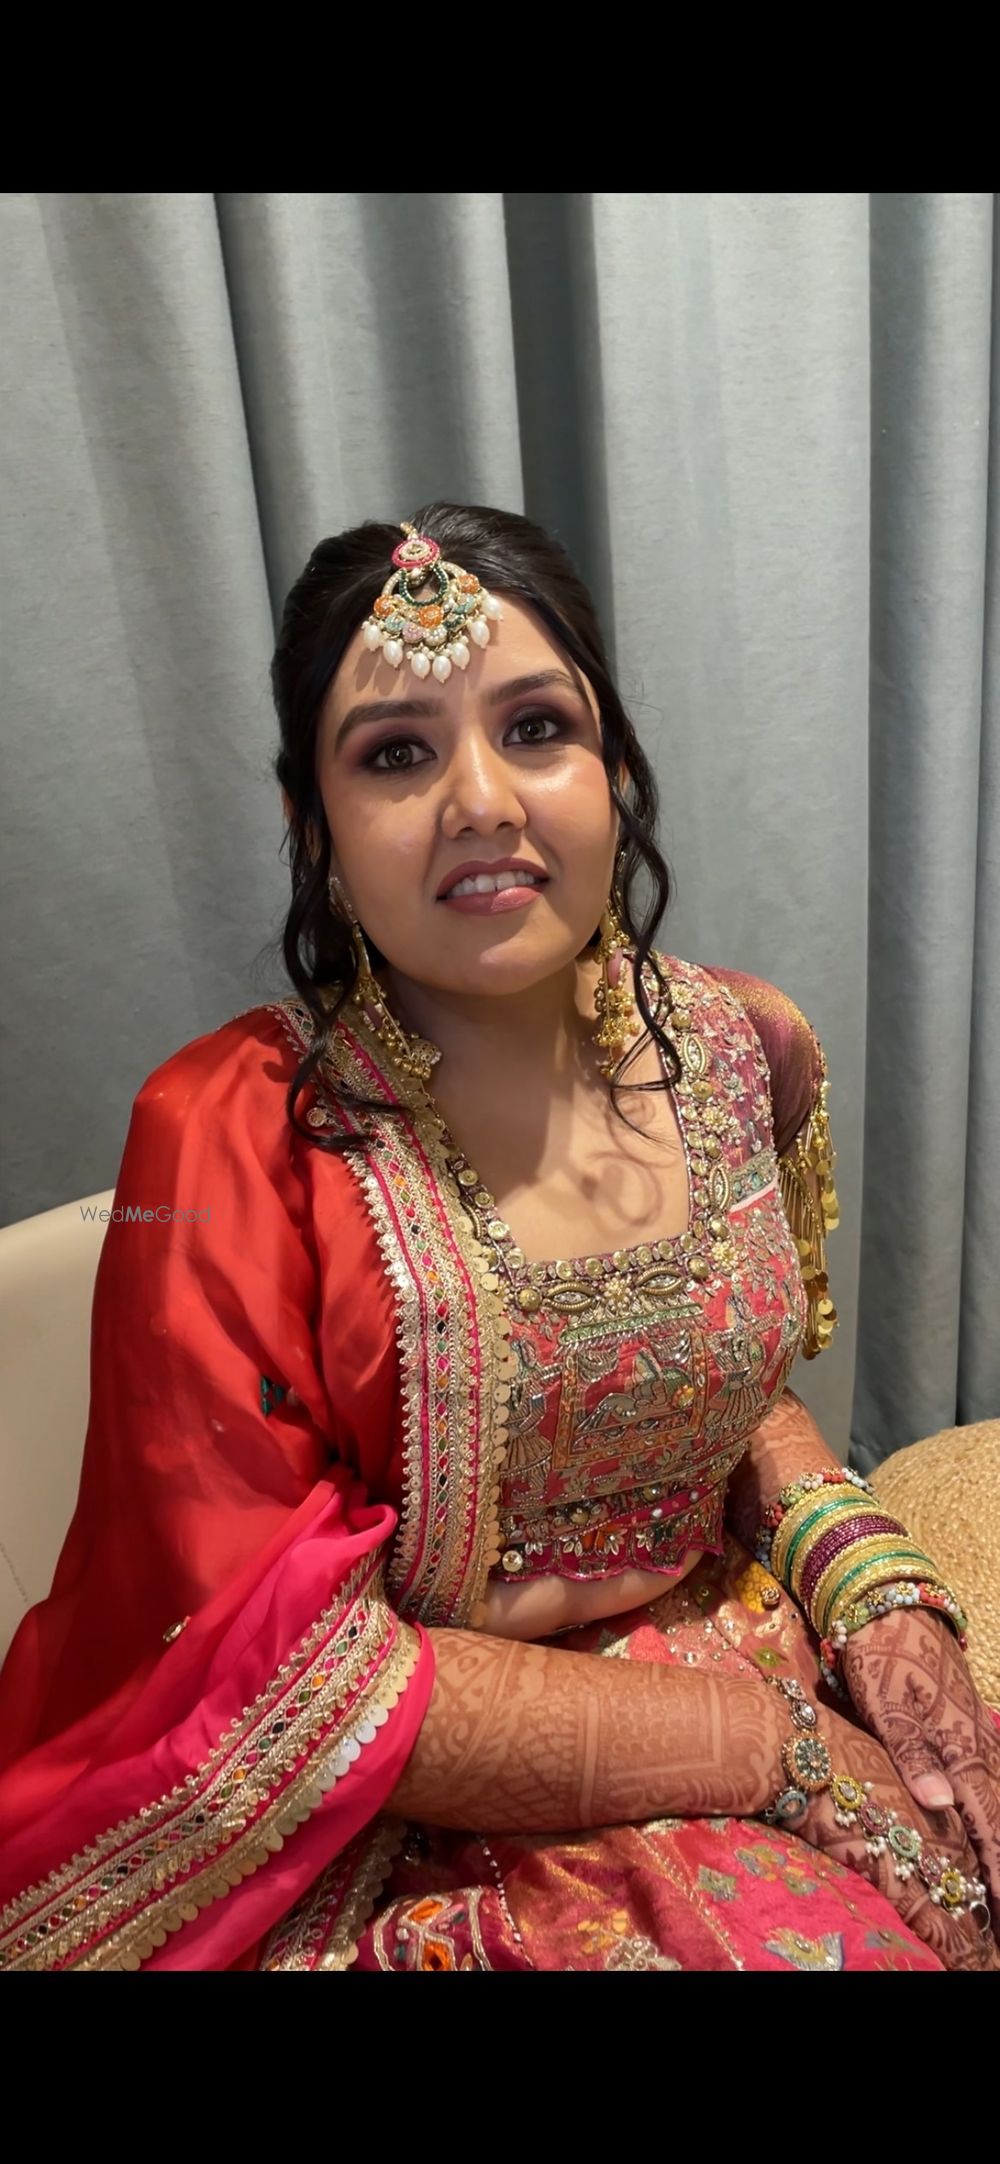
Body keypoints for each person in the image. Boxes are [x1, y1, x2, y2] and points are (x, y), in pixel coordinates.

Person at [1, 504, 997, 1975]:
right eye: (395, 754)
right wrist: (768, 1749)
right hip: (413, 1795)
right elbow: (292, 1671)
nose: (481, 799)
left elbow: (737, 1391)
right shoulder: (229, 1140)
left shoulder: (740, 1044)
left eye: (538, 728)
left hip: (744, 1645)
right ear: (311, 821)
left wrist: (879, 1600)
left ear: (615, 768)